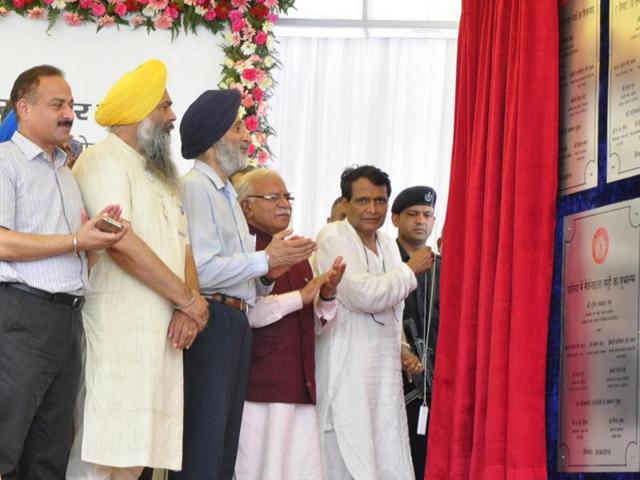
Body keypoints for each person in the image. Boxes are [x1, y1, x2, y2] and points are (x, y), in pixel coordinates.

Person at [66, 59, 209, 479]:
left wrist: (190, 306)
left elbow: (182, 249)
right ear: (139, 112)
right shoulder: (101, 160)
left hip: (160, 335)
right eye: (164, 106)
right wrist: (185, 299)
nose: (172, 116)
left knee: (135, 461)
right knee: (100, 456)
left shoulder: (161, 177)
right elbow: (120, 243)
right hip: (117, 332)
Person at [173, 90, 317, 480]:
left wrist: (268, 272)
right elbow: (201, 270)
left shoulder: (224, 193)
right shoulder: (196, 188)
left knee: (224, 445)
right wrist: (267, 259)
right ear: (214, 138)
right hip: (210, 322)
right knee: (202, 441)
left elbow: (243, 280)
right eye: (237, 127)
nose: (245, 137)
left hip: (235, 323)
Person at [0, 65, 126, 479]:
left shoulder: (65, 171)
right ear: (24, 107)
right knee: (6, 446)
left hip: (67, 319)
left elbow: (76, 253)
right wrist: (76, 241)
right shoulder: (5, 163)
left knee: (50, 454)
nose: (69, 113)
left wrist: (97, 240)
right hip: (21, 318)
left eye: (71, 105)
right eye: (57, 104)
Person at [314, 165, 433, 480]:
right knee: (344, 456)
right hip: (346, 367)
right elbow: (360, 294)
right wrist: (409, 271)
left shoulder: (386, 243)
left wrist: (402, 349)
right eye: (363, 201)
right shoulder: (332, 236)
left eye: (380, 201)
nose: (372, 209)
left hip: (382, 374)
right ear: (347, 202)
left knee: (385, 452)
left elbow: (390, 308)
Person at [233, 169, 346, 480]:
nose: (285, 203)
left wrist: (326, 296)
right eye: (274, 197)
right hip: (258, 389)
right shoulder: (243, 247)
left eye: (287, 197)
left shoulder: (296, 250)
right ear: (247, 206)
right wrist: (301, 296)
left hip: (300, 387)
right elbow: (245, 312)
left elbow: (313, 328)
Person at [391, 185, 440, 479]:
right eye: (413, 214)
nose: (421, 221)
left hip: (435, 384)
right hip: (396, 381)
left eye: (427, 215)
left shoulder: (444, 268)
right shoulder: (385, 261)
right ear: (396, 219)